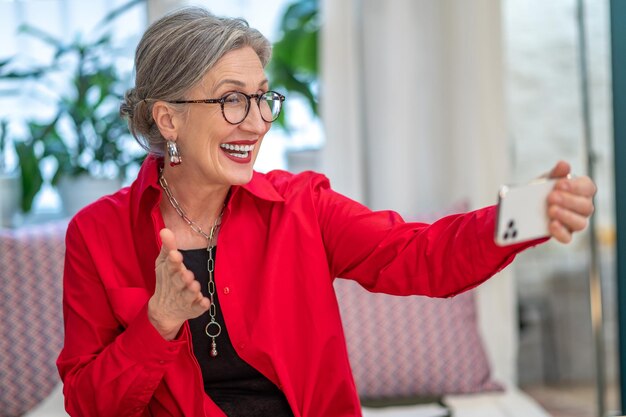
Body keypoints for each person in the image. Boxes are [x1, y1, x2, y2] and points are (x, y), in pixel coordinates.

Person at [56, 6, 597, 417]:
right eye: (231, 99)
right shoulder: (96, 234)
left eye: (264, 97)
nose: (257, 121)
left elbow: (422, 255)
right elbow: (86, 402)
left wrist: (527, 214)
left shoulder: (300, 207)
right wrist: (159, 321)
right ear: (168, 120)